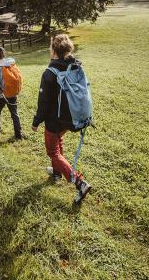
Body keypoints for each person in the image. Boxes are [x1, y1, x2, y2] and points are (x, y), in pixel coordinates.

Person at [32, 34, 92, 202]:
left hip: (54, 119)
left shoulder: (50, 72)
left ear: (53, 50)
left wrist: (36, 121)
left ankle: (80, 183)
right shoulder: (74, 66)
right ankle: (57, 172)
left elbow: (43, 102)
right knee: (58, 142)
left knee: (53, 151)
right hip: (70, 117)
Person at [0, 47, 23, 140]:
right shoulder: (11, 64)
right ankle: (18, 133)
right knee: (14, 113)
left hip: (2, 95)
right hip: (12, 94)